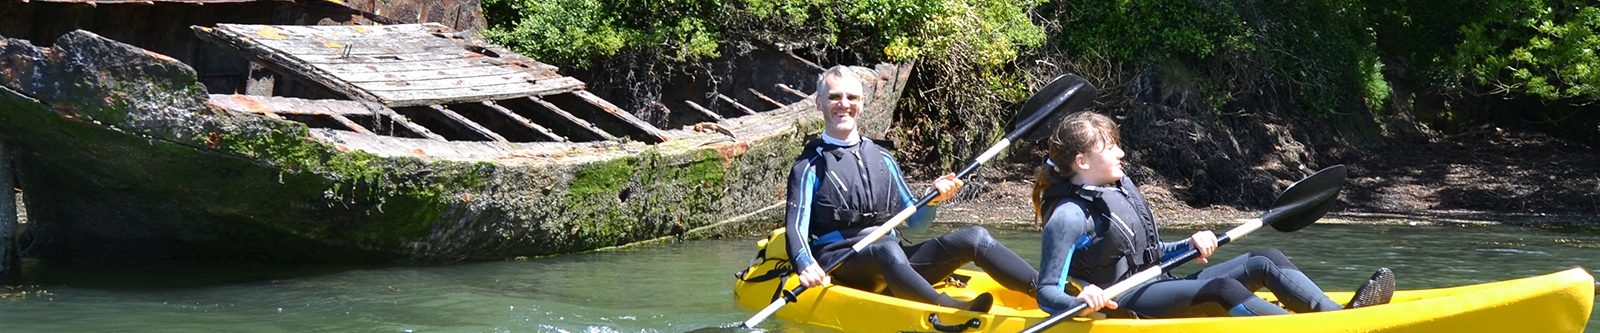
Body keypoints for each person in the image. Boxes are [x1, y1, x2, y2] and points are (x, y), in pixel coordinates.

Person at [1031, 111, 1395, 318]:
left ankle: (1337, 317)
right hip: (1122, 303)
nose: (1122, 153)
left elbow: (1150, 254)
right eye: (1111, 148)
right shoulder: (1068, 215)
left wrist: (1187, 244)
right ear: (1082, 161)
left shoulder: (1117, 190)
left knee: (1264, 259)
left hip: (1157, 284)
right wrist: (1081, 300)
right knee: (1222, 288)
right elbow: (1047, 292)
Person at [783, 66, 1038, 312]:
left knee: (976, 237)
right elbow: (795, 227)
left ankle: (1046, 290)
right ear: (819, 103)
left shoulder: (883, 159)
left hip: (892, 259)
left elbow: (917, 223)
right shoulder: (809, 166)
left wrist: (933, 199)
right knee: (888, 249)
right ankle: (948, 307)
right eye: (835, 97)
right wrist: (805, 264)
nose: (844, 104)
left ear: (861, 103)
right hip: (841, 263)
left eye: (852, 97)